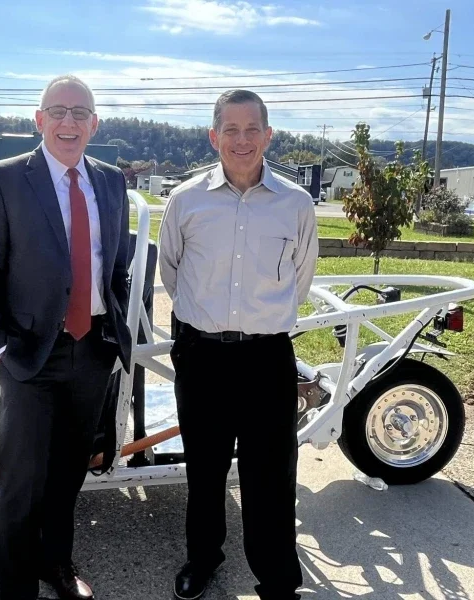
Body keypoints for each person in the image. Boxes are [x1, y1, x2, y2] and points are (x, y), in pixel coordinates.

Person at [0, 75, 132, 600]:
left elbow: (115, 265)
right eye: (58, 112)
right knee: (20, 485)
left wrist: (114, 322)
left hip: (93, 350)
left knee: (66, 476)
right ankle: (16, 590)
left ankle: (56, 565)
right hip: (29, 355)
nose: (68, 122)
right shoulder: (5, 180)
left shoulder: (110, 181)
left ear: (94, 124)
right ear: (39, 120)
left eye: (80, 113)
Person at [158, 89, 319, 600]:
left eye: (253, 129)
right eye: (231, 129)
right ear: (214, 137)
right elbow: (172, 272)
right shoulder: (185, 201)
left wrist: (256, 319)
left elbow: (301, 276)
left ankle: (277, 578)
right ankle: (202, 559)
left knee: (270, 474)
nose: (242, 139)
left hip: (266, 357)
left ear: (269, 135)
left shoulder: (297, 204)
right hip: (201, 353)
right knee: (204, 469)